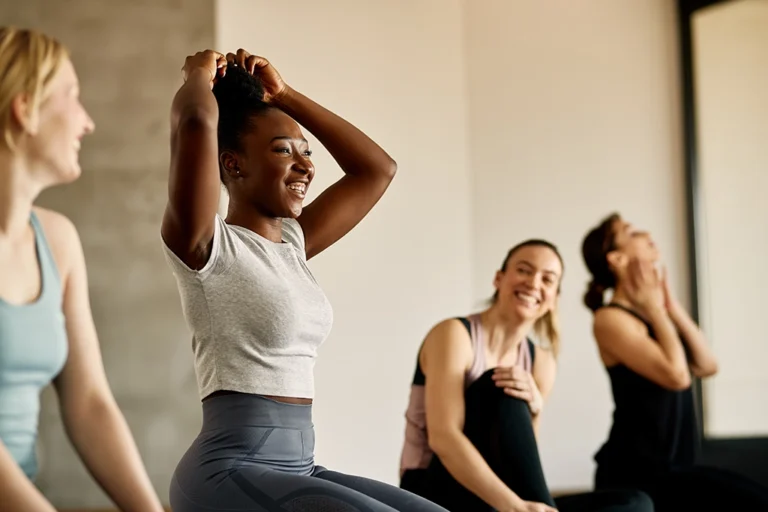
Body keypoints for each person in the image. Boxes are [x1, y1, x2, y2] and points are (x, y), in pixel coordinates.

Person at [161, 48, 446, 511]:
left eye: (305, 152)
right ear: (233, 165)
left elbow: (377, 170)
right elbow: (195, 121)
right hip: (230, 470)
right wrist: (197, 74)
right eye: (283, 151)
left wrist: (286, 95)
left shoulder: (293, 245)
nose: (306, 166)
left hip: (300, 467)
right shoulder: (207, 247)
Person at [0, 27, 164, 512]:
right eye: (72, 96)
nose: (87, 122)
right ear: (24, 108)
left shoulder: (58, 241)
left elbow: (89, 403)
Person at [399, 240, 654, 512]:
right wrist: (515, 507)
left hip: (499, 494)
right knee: (500, 383)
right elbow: (444, 438)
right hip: (430, 490)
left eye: (548, 279)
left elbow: (521, 457)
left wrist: (536, 409)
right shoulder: (454, 334)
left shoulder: (541, 362)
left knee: (636, 503)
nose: (534, 283)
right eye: (524, 270)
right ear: (499, 278)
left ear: (554, 297)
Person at [582, 212, 768, 512]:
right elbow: (677, 376)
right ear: (616, 259)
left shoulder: (655, 313)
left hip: (677, 466)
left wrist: (669, 305)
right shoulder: (609, 319)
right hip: (637, 474)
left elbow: (707, 366)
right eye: (630, 232)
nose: (644, 233)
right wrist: (656, 310)